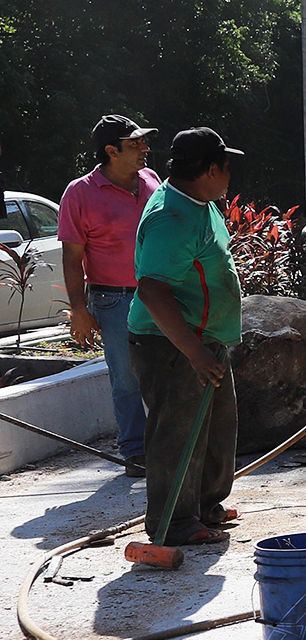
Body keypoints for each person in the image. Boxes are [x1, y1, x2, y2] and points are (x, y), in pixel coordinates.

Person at [128, 128, 245, 547]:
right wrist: (194, 352)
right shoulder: (171, 218)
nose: (230, 173)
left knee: (218, 429)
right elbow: (153, 289)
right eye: (226, 165)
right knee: (176, 434)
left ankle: (205, 506)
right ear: (211, 169)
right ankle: (173, 522)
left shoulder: (201, 203)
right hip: (173, 346)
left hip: (206, 338)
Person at [57, 115, 161, 477]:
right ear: (111, 152)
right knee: (126, 377)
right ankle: (135, 451)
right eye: (136, 144)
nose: (145, 149)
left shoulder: (151, 180)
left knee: (169, 370)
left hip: (160, 295)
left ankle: (168, 445)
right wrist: (78, 309)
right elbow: (71, 258)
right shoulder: (79, 193)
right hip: (113, 300)